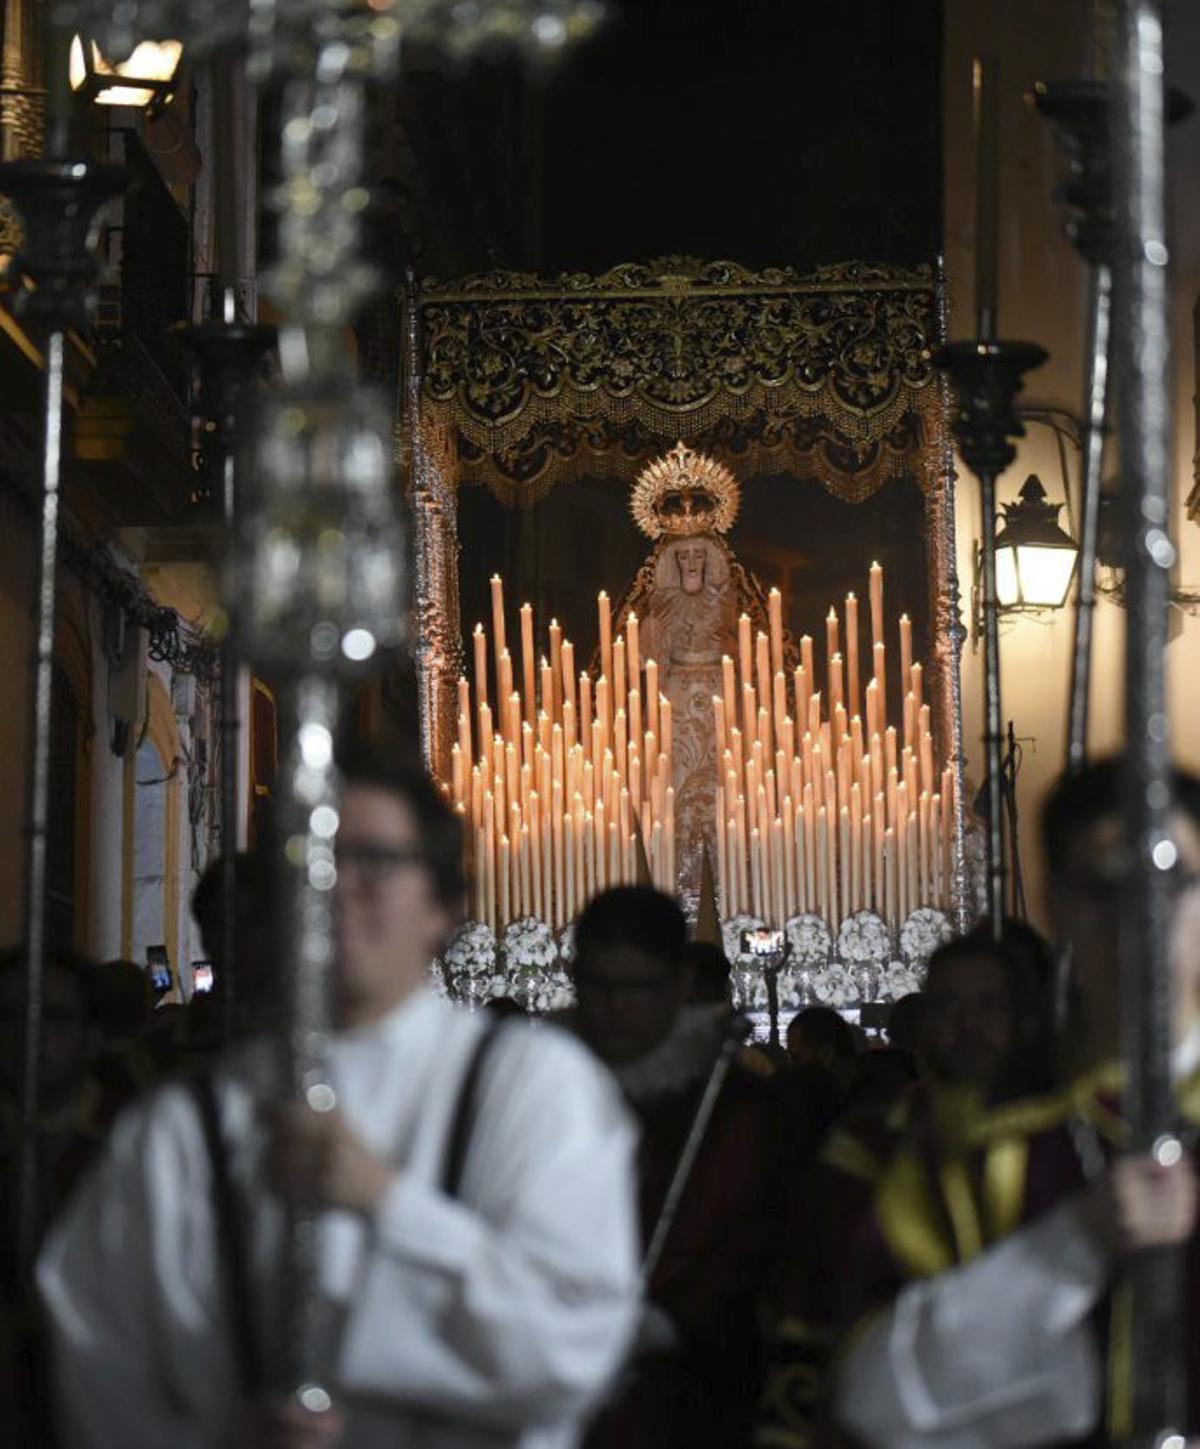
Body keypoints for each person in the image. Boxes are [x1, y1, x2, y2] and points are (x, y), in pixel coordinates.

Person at [38, 746, 641, 1449]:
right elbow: (99, 1353)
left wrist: (389, 1203)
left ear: (444, 905)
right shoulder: (184, 1123)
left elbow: (573, 1344)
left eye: (374, 860)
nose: (333, 885)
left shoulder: (534, 1087)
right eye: (306, 859)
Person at [831, 758, 1200, 1447]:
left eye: (1174, 880)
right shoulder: (976, 1135)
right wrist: (1070, 1244)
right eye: (1105, 888)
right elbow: (878, 1397)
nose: (1141, 917)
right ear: (1057, 904)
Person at [756, 920, 1058, 1448]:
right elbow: (812, 1304)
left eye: (990, 1006)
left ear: (1027, 1017)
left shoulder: (1072, 1139)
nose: (968, 1025)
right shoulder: (872, 1147)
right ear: (923, 1023)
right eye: (948, 1006)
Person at [573, 885, 783, 1449]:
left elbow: (762, 1240)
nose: (616, 1007)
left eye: (638, 988)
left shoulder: (738, 1105)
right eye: (599, 986)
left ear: (680, 985)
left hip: (697, 1390)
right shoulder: (543, 1086)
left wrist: (663, 1321)